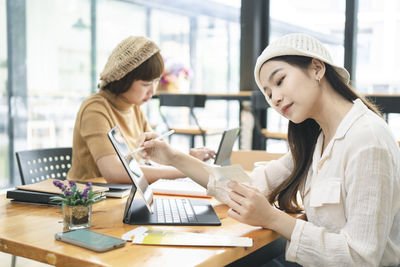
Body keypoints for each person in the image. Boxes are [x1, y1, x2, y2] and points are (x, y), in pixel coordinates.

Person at [137, 33, 400, 266]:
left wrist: (273, 218)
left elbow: (361, 259)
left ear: (317, 68)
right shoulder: (317, 139)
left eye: (280, 80)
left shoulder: (367, 140)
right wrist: (172, 156)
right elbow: (244, 185)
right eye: (267, 92)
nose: (274, 98)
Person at [67, 36, 215, 184]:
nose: (152, 91)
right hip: (91, 201)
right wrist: (185, 170)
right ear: (123, 78)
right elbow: (115, 172)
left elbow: (156, 159)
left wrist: (188, 160)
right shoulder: (95, 109)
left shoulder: (134, 107)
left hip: (128, 196)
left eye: (156, 82)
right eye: (146, 84)